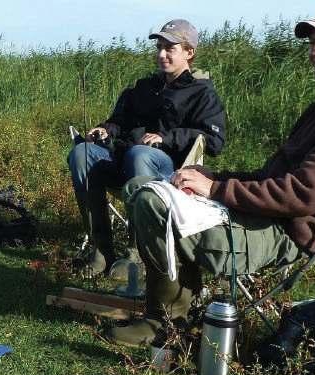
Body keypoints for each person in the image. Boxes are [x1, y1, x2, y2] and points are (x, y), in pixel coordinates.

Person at [109, 4, 315, 346]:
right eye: (312, 42)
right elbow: (270, 177)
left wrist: (216, 188)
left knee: (151, 202)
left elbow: (302, 194)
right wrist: (210, 176)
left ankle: (166, 321)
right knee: (145, 185)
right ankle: (175, 305)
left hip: (282, 232)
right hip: (263, 214)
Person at [68, 19, 226, 276]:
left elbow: (215, 141)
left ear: (189, 52)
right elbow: (120, 121)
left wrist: (166, 138)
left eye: (170, 48)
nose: (161, 54)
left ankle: (137, 254)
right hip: (124, 159)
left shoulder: (202, 93)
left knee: (140, 154)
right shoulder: (144, 87)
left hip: (170, 174)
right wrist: (106, 129)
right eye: (159, 48)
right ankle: (101, 248)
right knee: (81, 153)